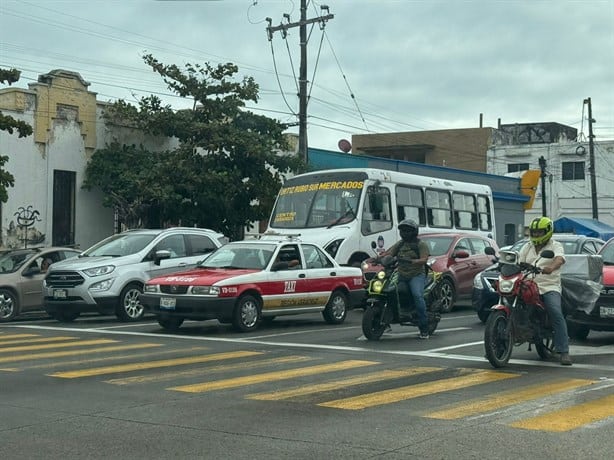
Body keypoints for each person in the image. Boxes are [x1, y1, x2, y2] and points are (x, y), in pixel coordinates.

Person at [518, 216, 572, 366]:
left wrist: (550, 268)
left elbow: (559, 259)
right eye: (533, 232)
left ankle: (564, 351)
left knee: (555, 311)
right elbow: (517, 260)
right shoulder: (527, 246)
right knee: (510, 301)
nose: (535, 235)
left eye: (539, 232)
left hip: (549, 285)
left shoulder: (555, 245)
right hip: (527, 284)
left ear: (547, 232)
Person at [381, 219, 431, 339]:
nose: (404, 233)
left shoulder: (421, 244)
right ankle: (386, 320)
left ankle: (424, 328)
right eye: (402, 231)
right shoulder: (400, 244)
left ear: (413, 232)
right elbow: (389, 254)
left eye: (407, 231)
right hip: (401, 274)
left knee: (417, 295)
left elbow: (424, 259)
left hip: (416, 275)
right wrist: (378, 259)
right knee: (388, 290)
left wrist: (412, 261)